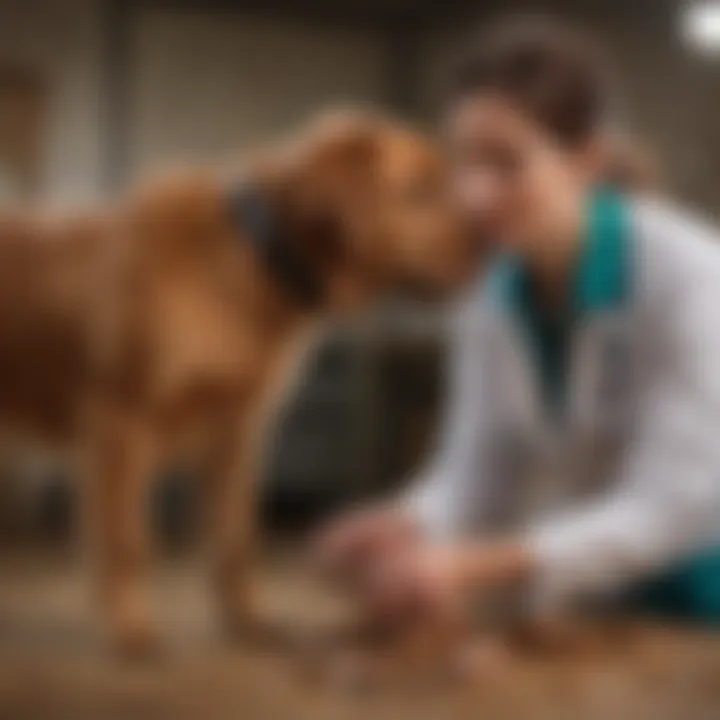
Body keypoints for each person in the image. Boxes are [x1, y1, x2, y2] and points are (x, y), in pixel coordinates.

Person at [315, 17, 720, 628]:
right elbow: (478, 468)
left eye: (506, 164)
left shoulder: (690, 279)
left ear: (586, 160)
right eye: (467, 164)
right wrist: (408, 522)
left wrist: (471, 568)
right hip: (606, 593)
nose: (475, 196)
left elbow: (679, 504)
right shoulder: (490, 299)